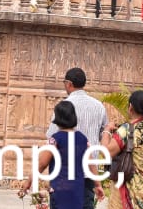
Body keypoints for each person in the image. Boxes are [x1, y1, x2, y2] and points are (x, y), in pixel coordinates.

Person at [100, 90, 143, 209]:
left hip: (135, 197)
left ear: (130, 107)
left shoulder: (127, 130)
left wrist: (107, 131)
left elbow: (106, 152)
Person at [21, 101, 89, 209]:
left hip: (60, 188)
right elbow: (91, 163)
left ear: (58, 118)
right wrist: (98, 185)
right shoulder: (83, 139)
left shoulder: (55, 139)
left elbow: (42, 163)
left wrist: (29, 181)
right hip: (77, 188)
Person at [56, 68, 105, 209]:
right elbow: (101, 135)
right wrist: (98, 183)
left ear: (69, 84)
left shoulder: (63, 107)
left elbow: (52, 138)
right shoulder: (99, 106)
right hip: (88, 173)